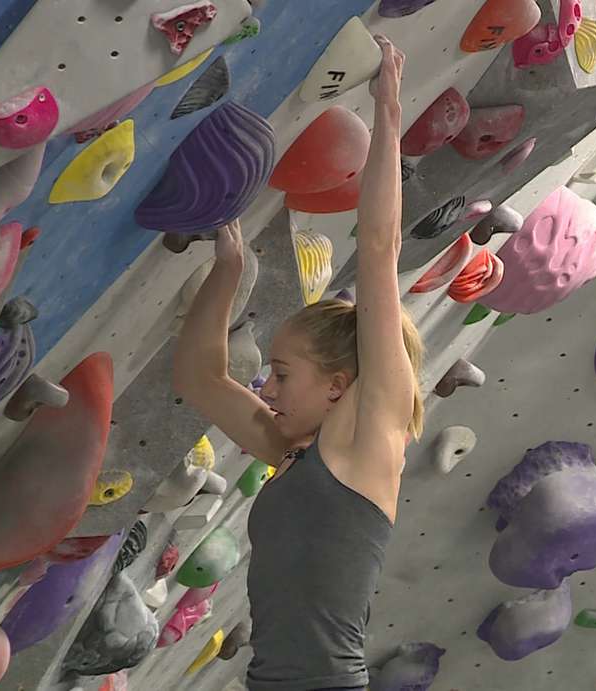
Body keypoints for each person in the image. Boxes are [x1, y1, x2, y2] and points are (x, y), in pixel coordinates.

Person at [172, 35, 419, 691]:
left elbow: (377, 248)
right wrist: (229, 268)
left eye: (283, 374)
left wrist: (388, 107)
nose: (266, 384)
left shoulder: (367, 440)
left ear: (341, 386)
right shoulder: (291, 452)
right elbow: (199, 377)